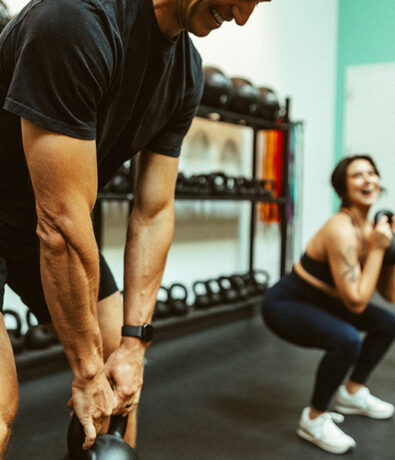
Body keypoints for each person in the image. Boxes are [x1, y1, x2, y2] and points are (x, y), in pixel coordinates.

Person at [0, 0, 272, 456]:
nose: (242, 17)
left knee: (121, 384)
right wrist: (84, 372)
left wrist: (133, 344)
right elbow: (60, 224)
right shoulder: (76, 21)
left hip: (43, 221)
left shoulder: (186, 72)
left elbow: (154, 210)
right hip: (48, 219)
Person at [262, 154, 395, 455]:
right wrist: (378, 249)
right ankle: (314, 418)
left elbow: (389, 294)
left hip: (325, 301)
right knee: (346, 339)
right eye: (357, 175)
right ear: (343, 188)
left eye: (372, 173)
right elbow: (358, 302)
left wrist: (390, 254)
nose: (368, 180)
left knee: (387, 324)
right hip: (287, 303)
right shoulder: (341, 230)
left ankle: (352, 392)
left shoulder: (372, 230)